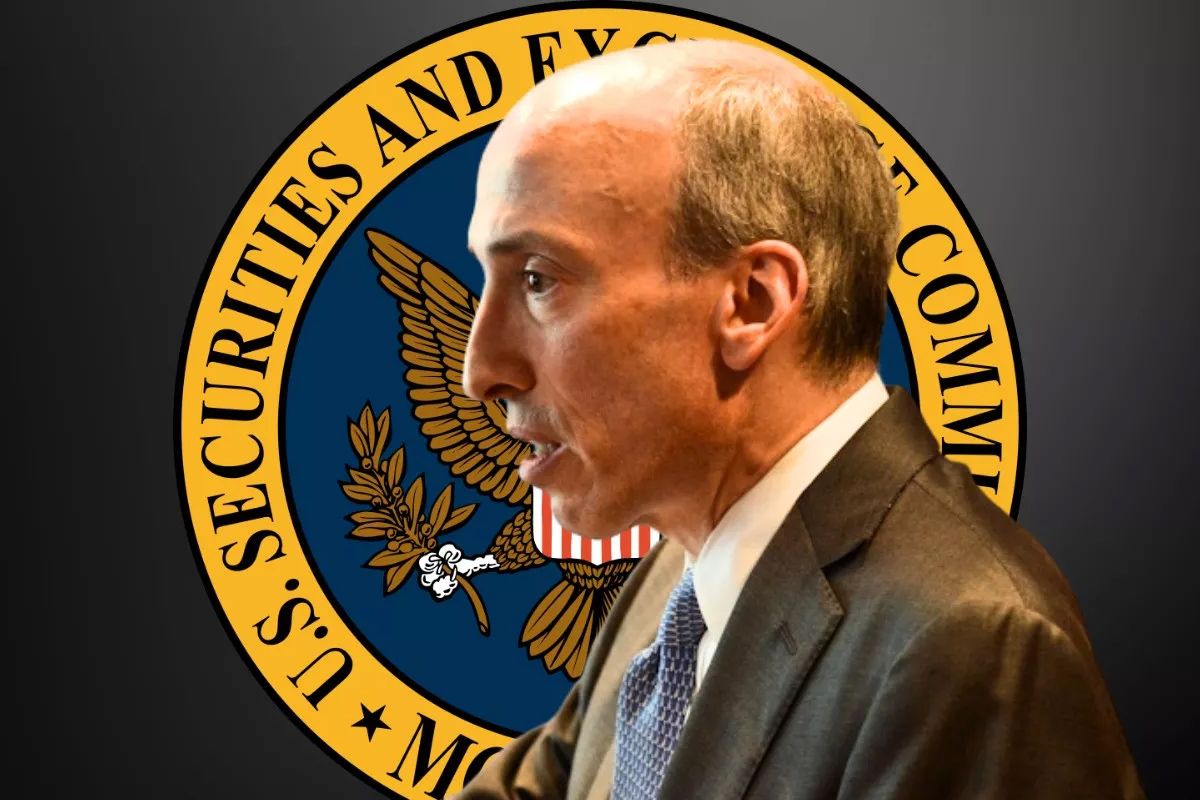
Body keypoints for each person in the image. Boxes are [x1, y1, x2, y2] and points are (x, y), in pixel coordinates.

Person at [456, 38, 1143, 800]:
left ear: (753, 302)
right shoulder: (683, 567)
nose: (480, 370)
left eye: (538, 280)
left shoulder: (974, 644)